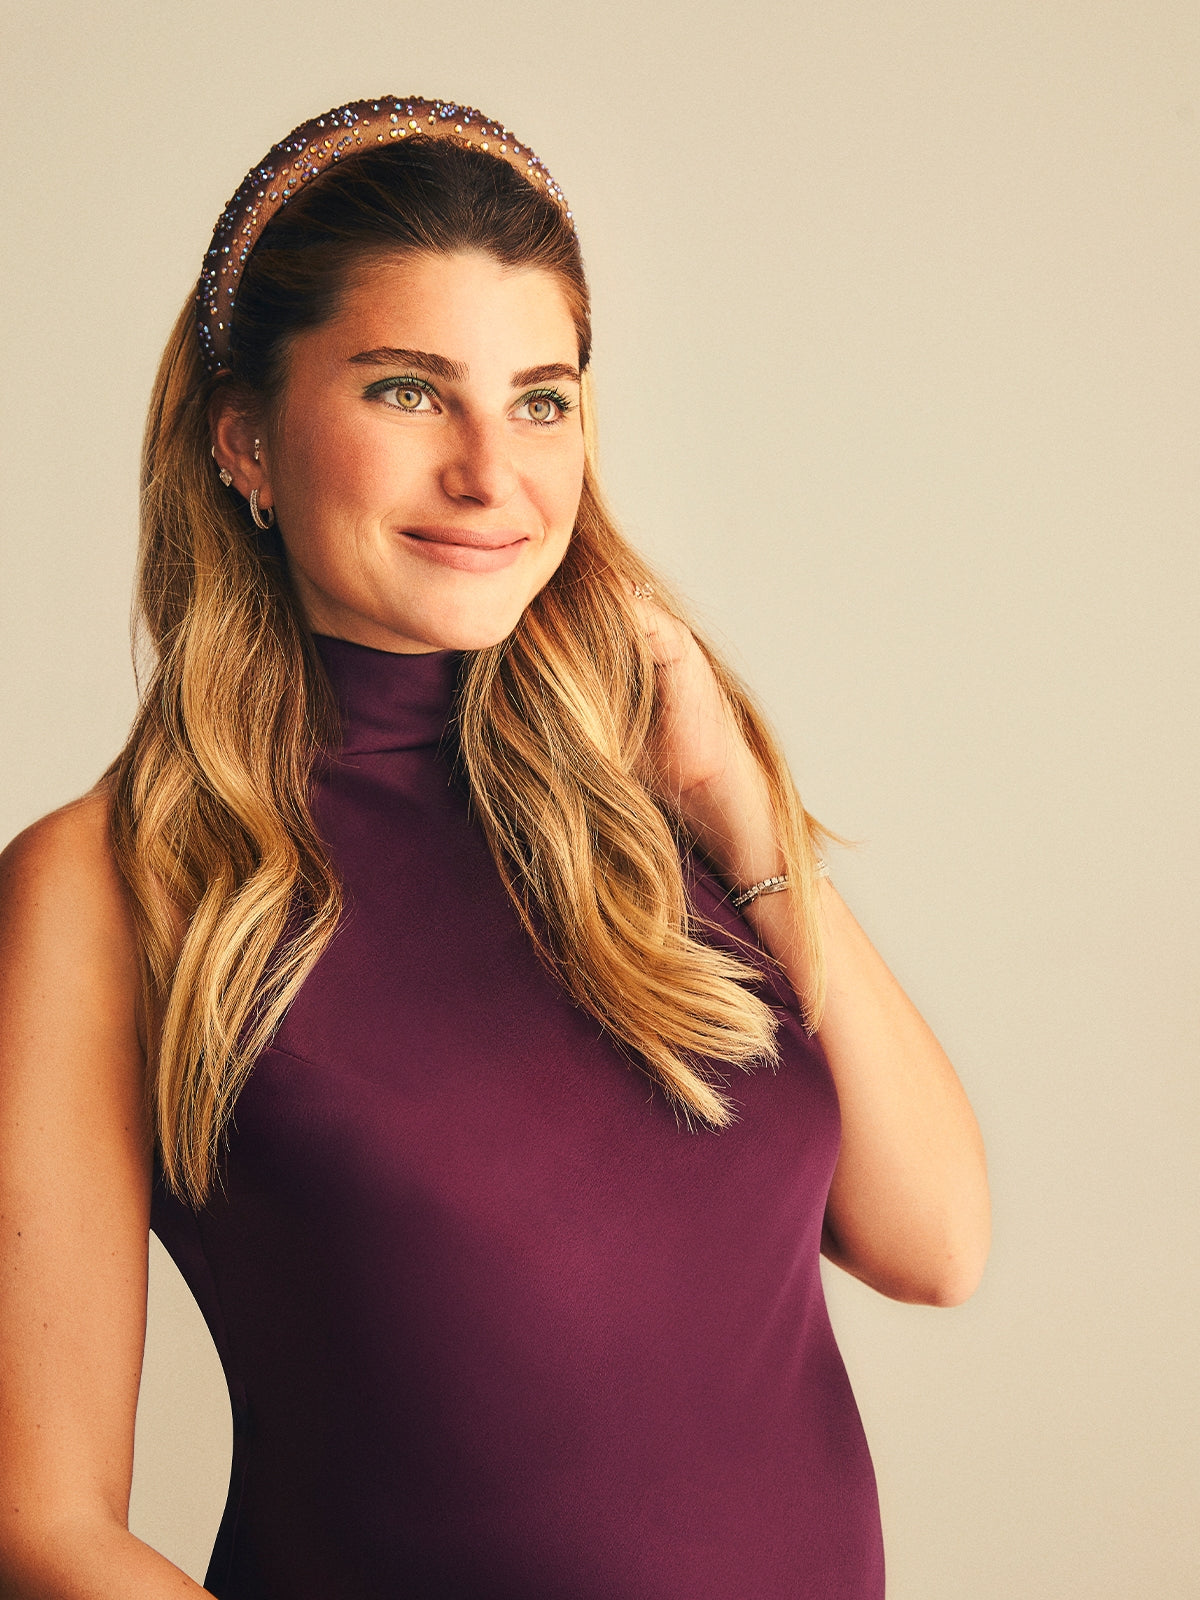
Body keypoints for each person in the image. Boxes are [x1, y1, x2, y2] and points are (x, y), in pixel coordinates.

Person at [0, 97, 990, 1598]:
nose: (489, 471)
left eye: (541, 400)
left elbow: (936, 1244)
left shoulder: (643, 816)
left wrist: (739, 809)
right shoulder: (108, 886)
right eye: (409, 392)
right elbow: (42, 1522)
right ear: (245, 438)